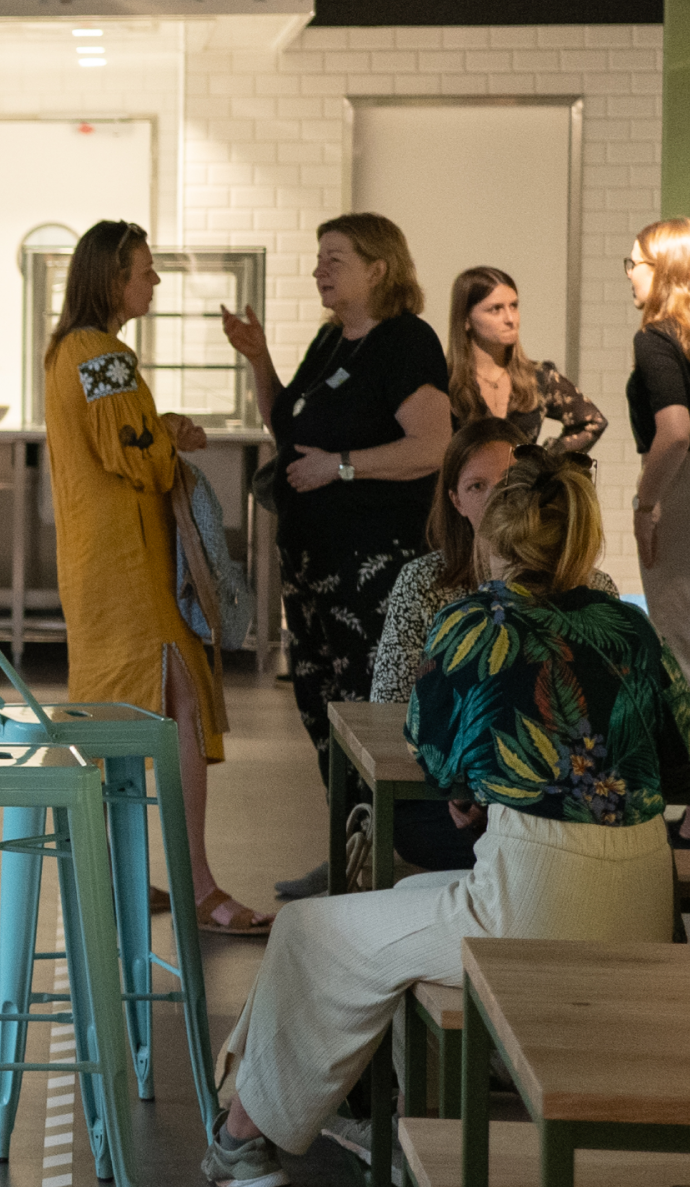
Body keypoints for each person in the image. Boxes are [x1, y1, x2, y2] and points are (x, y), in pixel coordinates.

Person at [205, 446, 689, 1187]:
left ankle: (241, 1137)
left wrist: (471, 785)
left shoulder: (475, 620)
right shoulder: (628, 631)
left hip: (526, 902)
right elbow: (678, 758)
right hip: (642, 898)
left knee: (308, 928)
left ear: (492, 537)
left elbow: (430, 750)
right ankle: (350, 1113)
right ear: (581, 541)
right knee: (403, 904)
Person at [33, 220, 273, 932]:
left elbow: (121, 437)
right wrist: (166, 439)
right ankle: (197, 886)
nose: (154, 281)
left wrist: (159, 427)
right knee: (179, 709)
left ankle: (129, 875)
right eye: (144, 270)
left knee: (125, 716)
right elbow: (133, 459)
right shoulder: (101, 353)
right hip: (129, 571)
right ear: (111, 278)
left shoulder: (77, 351)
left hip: (103, 567)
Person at [221, 212, 451, 901]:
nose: (320, 269)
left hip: (370, 567)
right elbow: (287, 426)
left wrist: (341, 468)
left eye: (334, 258)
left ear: (377, 268)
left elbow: (432, 444)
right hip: (314, 568)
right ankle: (345, 850)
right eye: (319, 258)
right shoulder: (330, 341)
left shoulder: (404, 342)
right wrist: (257, 356)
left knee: (368, 714)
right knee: (321, 709)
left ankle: (391, 856)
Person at [369, 419, 620, 875]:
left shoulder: (594, 589)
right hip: (449, 796)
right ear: (456, 501)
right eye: (476, 486)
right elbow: (390, 710)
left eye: (507, 485)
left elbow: (609, 716)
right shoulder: (426, 584)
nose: (495, 500)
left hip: (566, 792)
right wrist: (471, 788)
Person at [442, 265, 605, 452]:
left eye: (514, 306)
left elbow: (593, 422)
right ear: (466, 319)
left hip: (522, 482)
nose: (510, 318)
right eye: (495, 309)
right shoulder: (445, 381)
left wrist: (542, 463)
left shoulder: (538, 376)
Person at [626, 216, 690, 669]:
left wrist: (646, 506)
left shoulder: (656, 337)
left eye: (636, 262)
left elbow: (675, 432)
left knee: (680, 647)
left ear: (664, 268)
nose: (630, 272)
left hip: (679, 493)